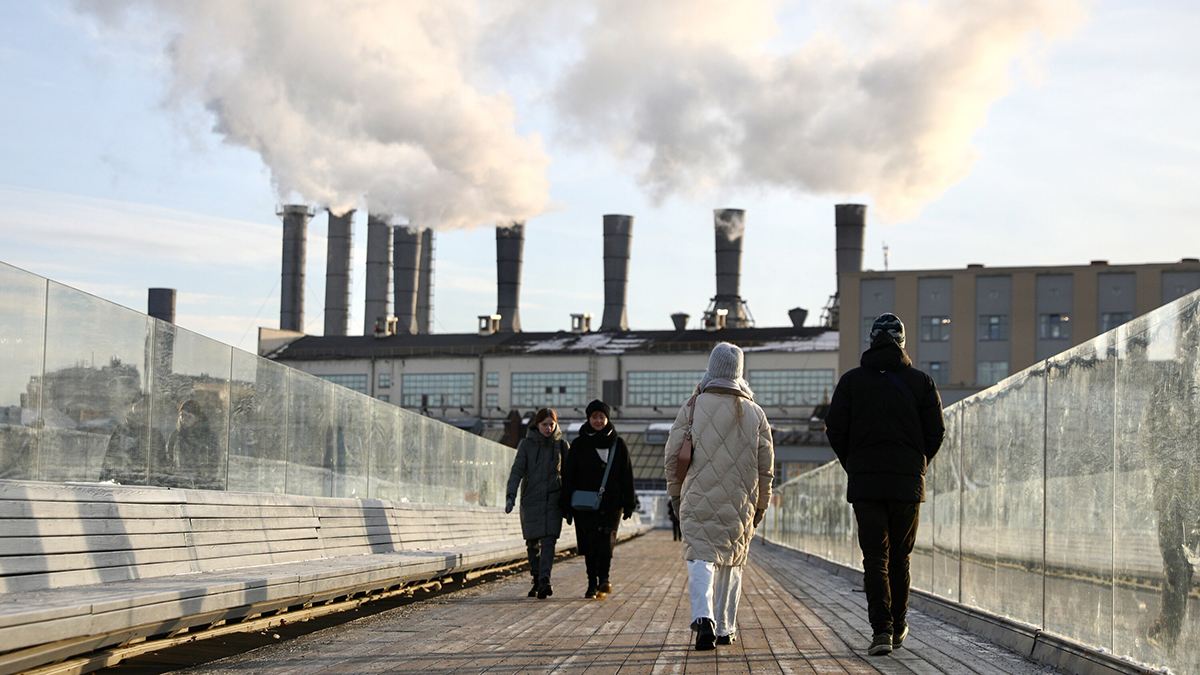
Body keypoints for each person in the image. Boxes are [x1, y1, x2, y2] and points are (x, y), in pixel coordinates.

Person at [824, 313, 945, 656]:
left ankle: (881, 631)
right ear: (902, 342)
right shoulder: (922, 382)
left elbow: (835, 428)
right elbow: (936, 432)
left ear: (872, 340)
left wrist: (855, 465)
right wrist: (917, 465)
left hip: (867, 484)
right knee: (900, 559)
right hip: (907, 484)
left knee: (875, 558)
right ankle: (898, 624)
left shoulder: (852, 382)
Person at [665, 342, 774, 651]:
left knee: (700, 556)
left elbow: (673, 455)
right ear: (739, 373)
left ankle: (704, 619)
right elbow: (767, 469)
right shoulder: (756, 413)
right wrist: (762, 504)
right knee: (732, 561)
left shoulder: (694, 405)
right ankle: (726, 628)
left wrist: (676, 495)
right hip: (741, 501)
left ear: (711, 370)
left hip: (698, 495)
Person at [562, 399, 637, 600]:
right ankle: (591, 583)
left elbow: (627, 474)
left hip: (611, 504)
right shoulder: (579, 444)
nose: (598, 420)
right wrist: (565, 505)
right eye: (594, 417)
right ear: (588, 418)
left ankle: (604, 578)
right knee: (589, 545)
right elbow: (569, 475)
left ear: (607, 419)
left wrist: (629, 502)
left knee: (606, 542)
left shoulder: (618, 444)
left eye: (601, 417)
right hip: (584, 504)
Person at [506, 407, 569, 599]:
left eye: (552, 424)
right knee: (533, 544)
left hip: (553, 500)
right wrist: (511, 495)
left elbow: (569, 475)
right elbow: (517, 471)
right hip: (531, 500)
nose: (548, 428)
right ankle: (536, 578)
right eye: (544, 424)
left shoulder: (562, 446)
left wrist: (569, 504)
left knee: (549, 541)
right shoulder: (526, 445)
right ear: (537, 425)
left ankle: (544, 581)